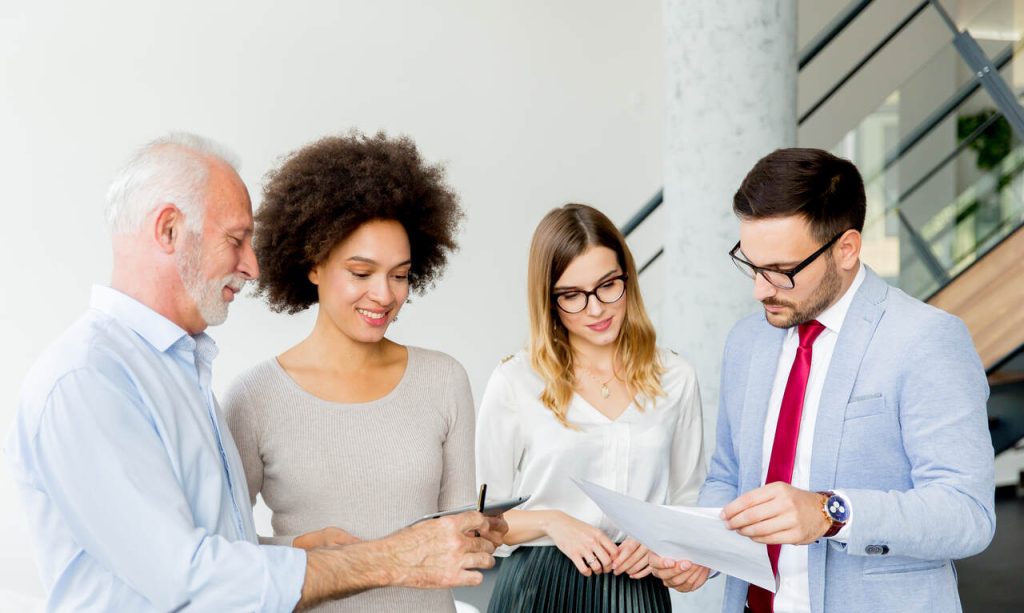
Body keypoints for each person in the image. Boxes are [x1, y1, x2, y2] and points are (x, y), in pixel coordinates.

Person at [4, 133, 505, 612]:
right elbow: (187, 578)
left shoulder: (180, 369)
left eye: (400, 275)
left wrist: (300, 553)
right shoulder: (89, 381)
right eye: (237, 239)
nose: (252, 266)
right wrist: (390, 559)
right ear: (169, 230)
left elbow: (217, 548)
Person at [650, 148, 995, 613]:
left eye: (781, 270)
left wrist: (830, 513)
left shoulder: (926, 340)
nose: (760, 289)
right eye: (750, 264)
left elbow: (966, 514)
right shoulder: (748, 341)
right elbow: (729, 475)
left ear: (846, 249)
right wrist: (700, 549)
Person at [222, 131, 476, 612]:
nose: (384, 295)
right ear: (314, 264)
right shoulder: (254, 398)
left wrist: (483, 533)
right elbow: (226, 558)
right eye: (361, 273)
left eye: (399, 275)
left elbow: (459, 534)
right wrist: (298, 552)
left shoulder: (444, 381)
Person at [476, 203, 706, 612]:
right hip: (536, 588)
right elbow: (481, 520)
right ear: (549, 301)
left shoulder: (675, 376)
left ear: (627, 278)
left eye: (607, 285)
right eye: (572, 296)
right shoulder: (515, 381)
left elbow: (690, 503)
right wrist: (552, 521)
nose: (596, 309)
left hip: (635, 589)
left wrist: (660, 537)